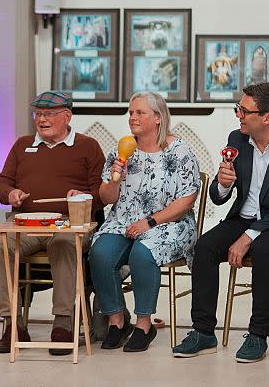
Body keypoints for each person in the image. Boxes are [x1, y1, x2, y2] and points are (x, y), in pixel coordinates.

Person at [172, 82, 269, 362]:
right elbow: (217, 195)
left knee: (264, 249)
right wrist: (223, 184)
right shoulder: (236, 140)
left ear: (267, 117)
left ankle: (258, 335)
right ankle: (203, 332)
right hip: (244, 216)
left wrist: (249, 236)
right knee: (205, 247)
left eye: (244, 110)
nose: (238, 114)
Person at [0, 91, 105, 356]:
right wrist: (10, 194)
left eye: (48, 114)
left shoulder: (88, 146)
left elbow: (101, 194)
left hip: (68, 222)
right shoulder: (22, 145)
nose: (41, 120)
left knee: (64, 243)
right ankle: (12, 324)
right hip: (26, 222)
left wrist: (83, 196)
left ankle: (63, 323)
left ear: (67, 116)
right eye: (38, 114)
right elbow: (1, 183)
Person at [89, 92, 201, 352]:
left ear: (158, 118)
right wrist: (116, 178)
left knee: (142, 252)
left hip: (169, 223)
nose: (133, 118)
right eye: (130, 112)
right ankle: (118, 321)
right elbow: (105, 198)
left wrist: (149, 222)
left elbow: (186, 200)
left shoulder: (179, 150)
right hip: (122, 221)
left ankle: (144, 325)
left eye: (140, 113)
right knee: (100, 254)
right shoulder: (122, 149)